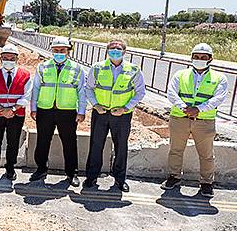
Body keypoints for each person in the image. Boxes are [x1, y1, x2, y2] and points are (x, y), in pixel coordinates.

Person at [161, 43, 228, 198]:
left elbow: (218, 98)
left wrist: (199, 109)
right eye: (196, 57)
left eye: (203, 57)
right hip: (180, 117)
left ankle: (206, 183)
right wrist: (184, 107)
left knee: (206, 154)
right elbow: (171, 93)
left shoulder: (219, 78)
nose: (199, 59)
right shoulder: (180, 75)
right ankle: (174, 177)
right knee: (176, 150)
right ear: (191, 58)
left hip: (204, 121)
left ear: (210, 59)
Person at [83, 39, 145, 192]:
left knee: (121, 147)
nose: (115, 51)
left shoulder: (133, 69)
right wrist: (95, 105)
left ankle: (120, 179)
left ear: (124, 51)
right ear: (107, 51)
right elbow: (88, 88)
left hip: (122, 116)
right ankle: (91, 177)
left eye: (118, 49)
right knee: (96, 145)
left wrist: (125, 108)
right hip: (100, 113)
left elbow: (140, 92)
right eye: (112, 48)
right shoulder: (97, 67)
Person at [30, 36, 87, 187]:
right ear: (52, 51)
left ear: (68, 51)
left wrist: (81, 111)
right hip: (45, 110)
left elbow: (82, 91)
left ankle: (72, 173)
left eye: (62, 50)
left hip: (67, 111)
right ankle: (41, 169)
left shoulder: (77, 68)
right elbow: (36, 88)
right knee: (42, 141)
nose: (59, 52)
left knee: (69, 143)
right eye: (56, 50)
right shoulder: (43, 67)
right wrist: (33, 108)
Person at [0, 43, 32, 181]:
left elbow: (26, 96)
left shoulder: (25, 75)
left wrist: (12, 109)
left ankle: (10, 168)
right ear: (0, 58)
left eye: (12, 58)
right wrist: (2, 110)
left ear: (17, 59)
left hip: (16, 114)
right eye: (5, 57)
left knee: (13, 142)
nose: (8, 60)